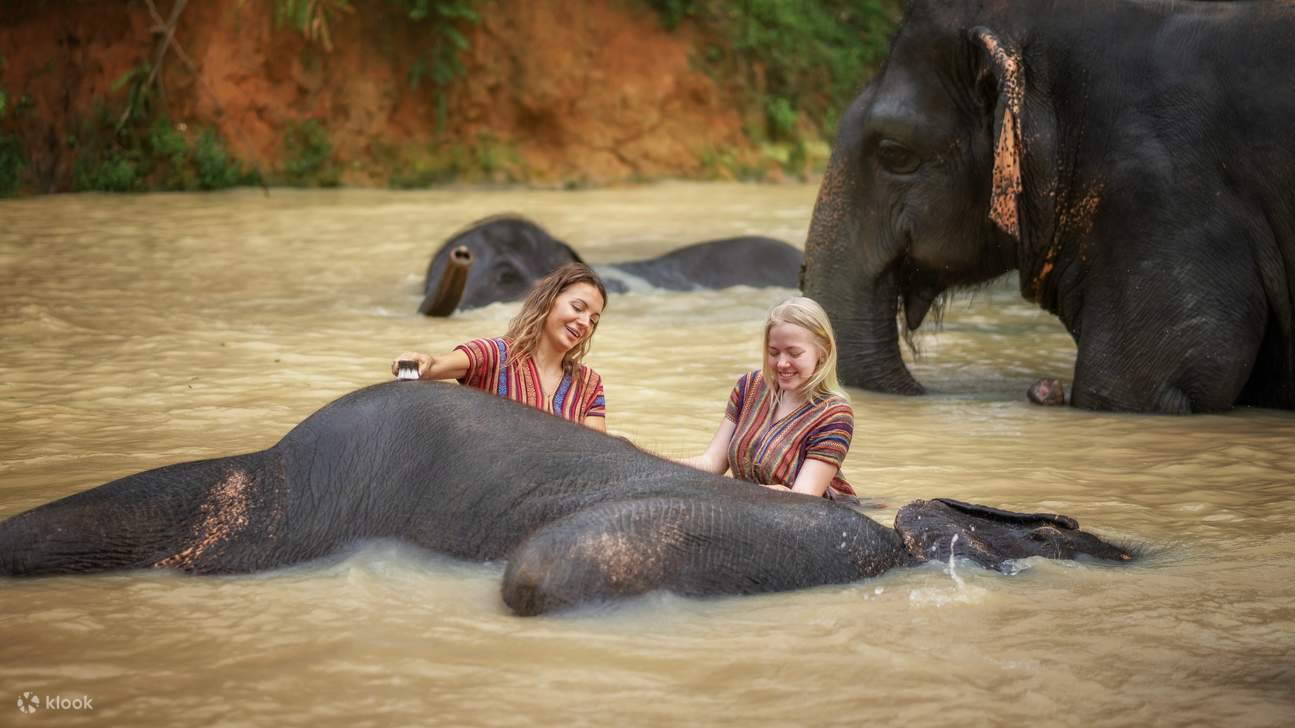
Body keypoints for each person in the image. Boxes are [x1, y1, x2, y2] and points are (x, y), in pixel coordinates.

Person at [392, 262, 608, 431]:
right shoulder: (494, 355)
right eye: (578, 308)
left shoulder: (589, 384)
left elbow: (599, 454)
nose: (584, 323)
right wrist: (409, 365)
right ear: (549, 300)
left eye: (593, 320)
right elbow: (431, 367)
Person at [680, 296, 856, 500]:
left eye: (794, 353)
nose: (782, 363)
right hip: (747, 507)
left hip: (819, 520)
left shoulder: (835, 415)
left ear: (822, 351)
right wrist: (649, 462)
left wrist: (730, 492)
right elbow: (712, 463)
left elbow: (803, 499)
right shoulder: (750, 386)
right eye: (774, 352)